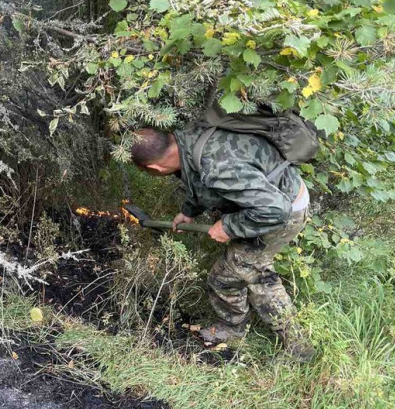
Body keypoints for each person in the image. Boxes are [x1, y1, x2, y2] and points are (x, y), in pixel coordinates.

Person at [130, 124, 315, 362]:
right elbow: (199, 181)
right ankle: (233, 327)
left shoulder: (216, 167)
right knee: (226, 276)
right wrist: (188, 211)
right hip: (269, 200)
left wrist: (229, 227)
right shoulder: (187, 139)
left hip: (284, 210)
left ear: (154, 167)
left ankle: (299, 349)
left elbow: (274, 210)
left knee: (253, 274)